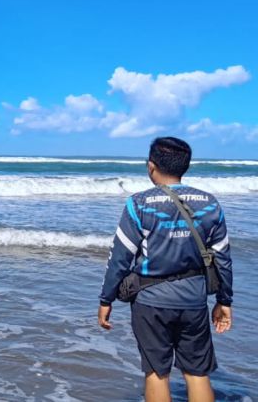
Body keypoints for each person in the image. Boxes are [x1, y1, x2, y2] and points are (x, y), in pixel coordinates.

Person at [98, 137, 233, 402]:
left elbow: (119, 258)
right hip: (194, 301)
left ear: (151, 166)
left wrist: (106, 299)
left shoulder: (138, 204)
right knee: (197, 373)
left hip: (151, 303)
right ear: (185, 166)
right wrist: (224, 301)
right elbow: (223, 258)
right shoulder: (210, 203)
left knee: (156, 373)